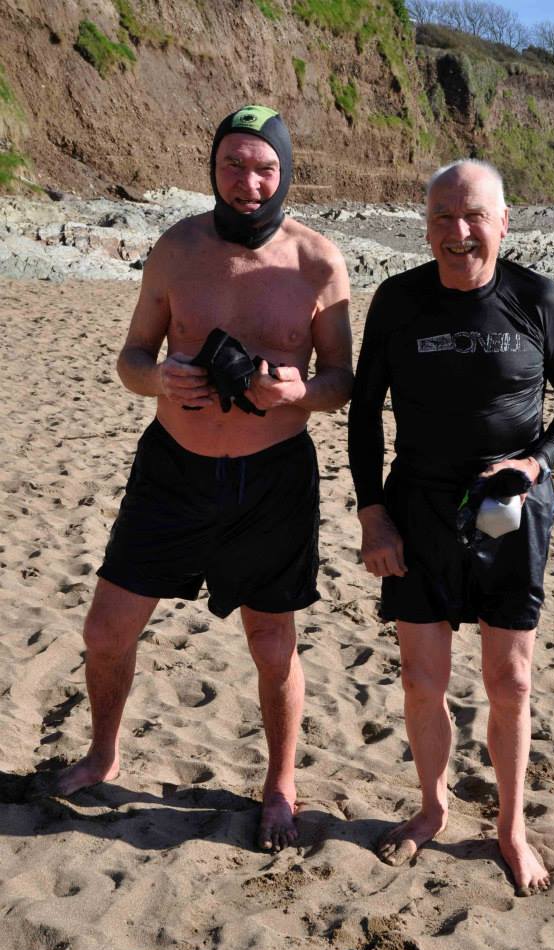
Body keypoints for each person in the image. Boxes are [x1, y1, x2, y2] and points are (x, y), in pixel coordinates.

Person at [55, 105, 353, 853]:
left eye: (264, 168)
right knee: (105, 631)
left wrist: (298, 393)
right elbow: (130, 358)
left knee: (272, 643)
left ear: (284, 171)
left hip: (273, 479)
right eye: (233, 165)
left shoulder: (318, 261)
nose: (248, 183)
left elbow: (344, 378)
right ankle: (103, 751)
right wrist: (158, 379)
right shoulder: (176, 249)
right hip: (174, 471)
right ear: (212, 167)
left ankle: (280, 784)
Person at [348, 159, 554, 895]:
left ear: (502, 222)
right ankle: (431, 808)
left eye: (473, 218)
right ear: (424, 225)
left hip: (509, 510)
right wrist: (372, 514)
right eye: (441, 220)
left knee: (509, 681)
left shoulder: (535, 298)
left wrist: (534, 463)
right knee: (422, 680)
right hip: (417, 509)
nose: (457, 235)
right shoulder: (397, 301)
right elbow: (364, 415)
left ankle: (511, 828)